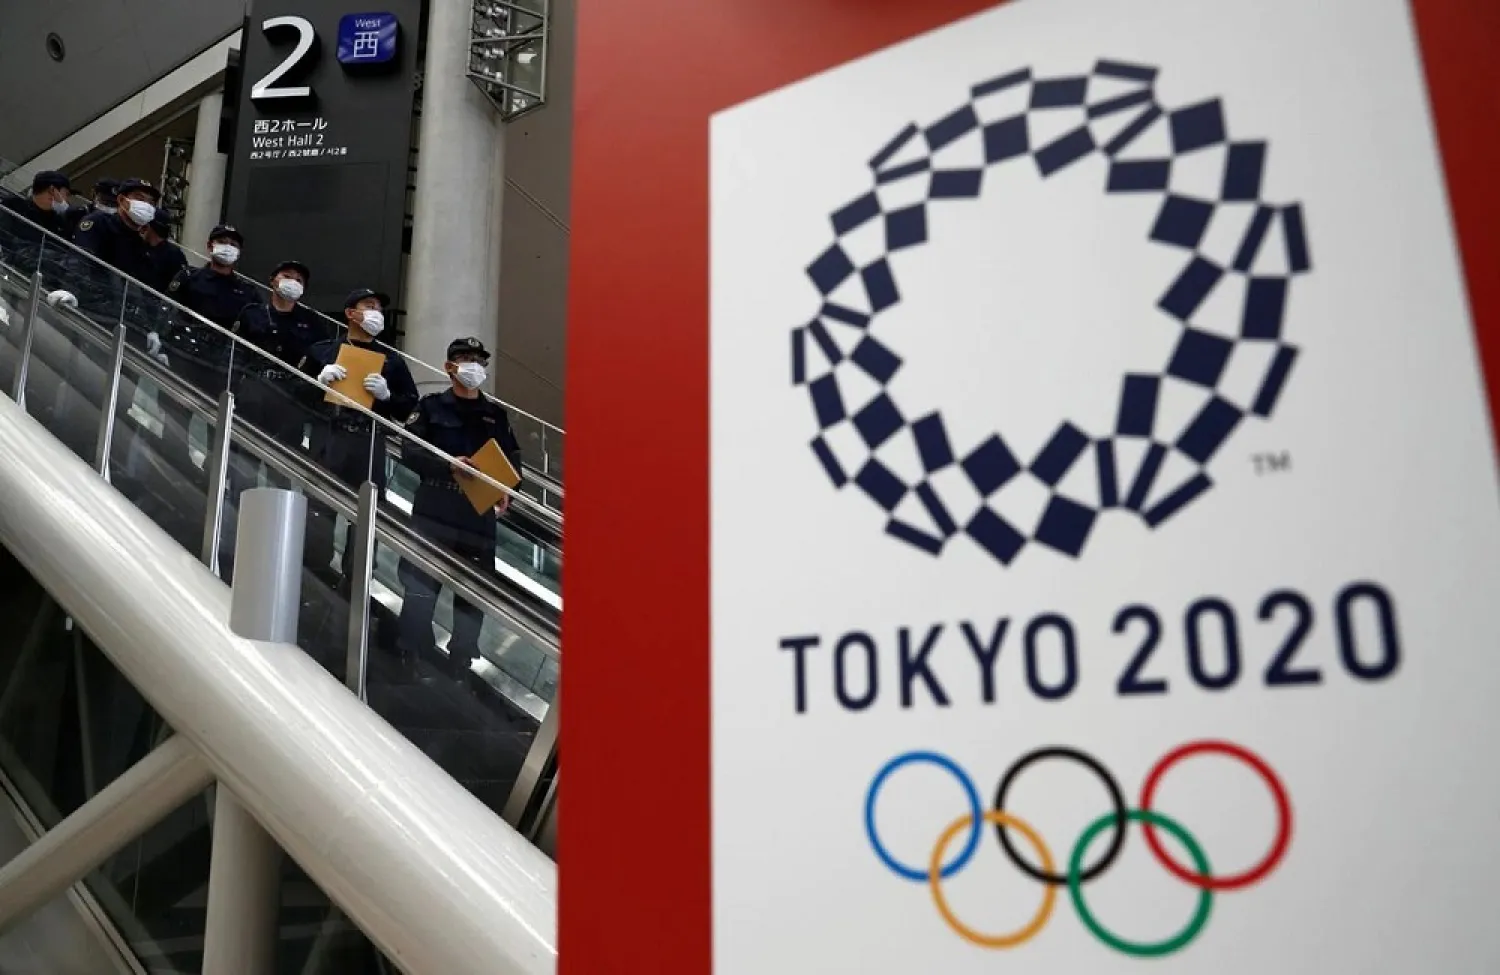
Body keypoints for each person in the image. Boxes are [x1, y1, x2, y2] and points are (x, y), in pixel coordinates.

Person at [395, 337, 521, 681]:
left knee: (473, 588)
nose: (473, 366)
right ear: (449, 366)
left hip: (477, 512)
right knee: (421, 580)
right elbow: (409, 450)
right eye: (465, 359)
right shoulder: (432, 407)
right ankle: (412, 649)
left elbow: (513, 462)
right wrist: (448, 463)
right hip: (436, 503)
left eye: (479, 360)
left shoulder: (495, 415)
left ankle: (462, 658)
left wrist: (507, 489)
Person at [300, 289, 417, 585]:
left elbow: (409, 406)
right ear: (350, 313)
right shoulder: (323, 350)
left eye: (379, 307)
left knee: (367, 511)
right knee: (321, 503)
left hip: (370, 439)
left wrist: (387, 395)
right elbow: (295, 392)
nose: (376, 312)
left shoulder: (392, 360)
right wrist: (317, 380)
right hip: (330, 434)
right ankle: (315, 571)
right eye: (369, 306)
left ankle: (357, 578)